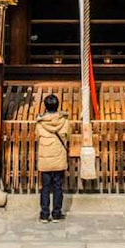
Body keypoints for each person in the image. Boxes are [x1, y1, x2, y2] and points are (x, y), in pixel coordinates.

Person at [36, 93, 70, 222]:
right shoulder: (65, 122)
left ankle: (44, 214)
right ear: (57, 105)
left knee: (45, 188)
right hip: (58, 158)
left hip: (45, 159)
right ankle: (56, 213)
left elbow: (37, 135)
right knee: (57, 187)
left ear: (45, 106)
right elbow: (68, 136)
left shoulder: (40, 123)